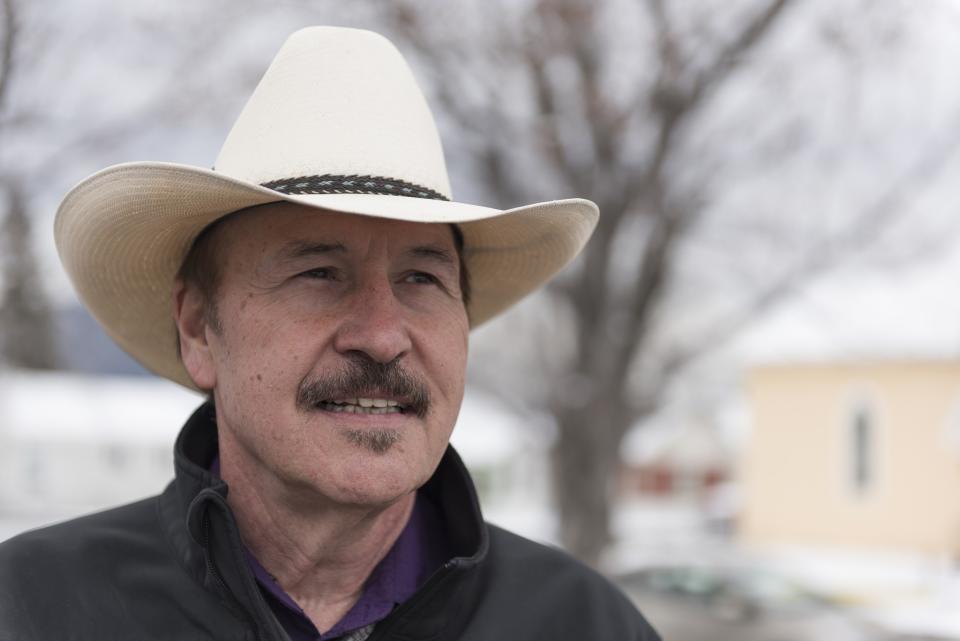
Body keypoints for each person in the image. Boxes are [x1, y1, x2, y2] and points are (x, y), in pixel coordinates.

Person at [0, 26, 660, 641]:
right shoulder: (33, 608)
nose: (381, 335)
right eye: (319, 272)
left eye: (421, 279)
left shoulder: (583, 623)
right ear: (199, 329)